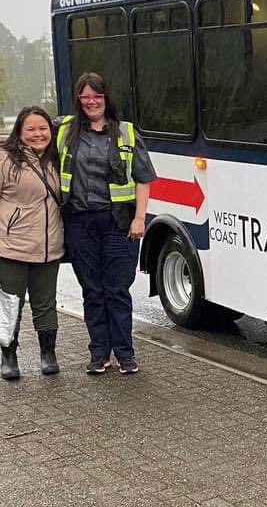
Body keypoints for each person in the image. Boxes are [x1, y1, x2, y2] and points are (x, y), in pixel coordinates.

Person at [54, 71, 155, 374]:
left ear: (106, 98)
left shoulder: (126, 132)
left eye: (96, 96)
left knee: (117, 291)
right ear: (78, 100)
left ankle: (125, 353)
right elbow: (28, 137)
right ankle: (99, 353)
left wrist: (140, 218)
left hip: (119, 224)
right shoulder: (63, 130)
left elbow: (144, 179)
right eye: (85, 97)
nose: (91, 101)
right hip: (80, 223)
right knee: (92, 291)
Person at [0, 106, 64, 381]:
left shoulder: (58, 157)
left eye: (43, 128)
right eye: (31, 129)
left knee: (46, 303)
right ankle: (8, 356)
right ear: (20, 132)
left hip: (49, 248)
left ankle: (48, 354)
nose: (38, 134)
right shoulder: (1, 158)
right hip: (9, 248)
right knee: (10, 304)